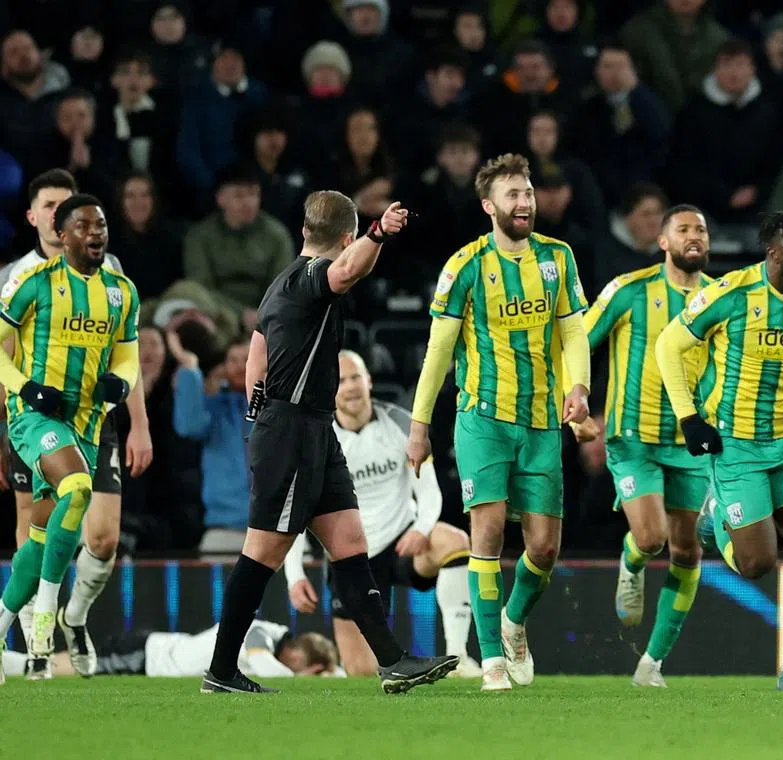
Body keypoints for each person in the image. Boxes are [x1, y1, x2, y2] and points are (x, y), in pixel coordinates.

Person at [201, 191, 459, 695]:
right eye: (356, 240)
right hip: (294, 431)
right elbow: (344, 274)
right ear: (346, 239)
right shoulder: (311, 278)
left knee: (348, 541)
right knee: (264, 549)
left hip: (310, 429)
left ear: (304, 231)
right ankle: (221, 670)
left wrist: (258, 409)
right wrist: (379, 232)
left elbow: (257, 350)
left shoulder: (279, 285)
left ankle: (392, 661)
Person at [655, 210, 783, 692]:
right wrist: (689, 418)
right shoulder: (731, 294)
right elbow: (669, 345)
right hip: (738, 445)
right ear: (773, 252)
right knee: (757, 563)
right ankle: (717, 518)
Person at [407, 153, 591, 692]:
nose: (524, 202)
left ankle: (512, 622)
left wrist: (576, 387)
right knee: (484, 535)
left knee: (544, 549)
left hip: (540, 423)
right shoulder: (464, 266)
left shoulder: (558, 258)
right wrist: (420, 425)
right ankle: (490, 661)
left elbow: (574, 332)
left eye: (528, 192)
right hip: (482, 418)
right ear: (489, 205)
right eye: (512, 195)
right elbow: (439, 350)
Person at [0, 169, 153, 680]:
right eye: (83, 225)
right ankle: (44, 619)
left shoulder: (120, 289)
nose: (95, 234)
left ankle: (12, 622)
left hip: (89, 421)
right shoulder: (26, 280)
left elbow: (129, 358)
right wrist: (23, 389)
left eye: (101, 226)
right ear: (53, 228)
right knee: (77, 489)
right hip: (33, 414)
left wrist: (124, 389)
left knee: (46, 533)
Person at [571, 204, 712, 687]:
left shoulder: (722, 298)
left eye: (701, 230)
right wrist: (577, 397)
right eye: (684, 229)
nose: (694, 236)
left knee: (688, 550)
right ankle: (632, 560)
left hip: (692, 443)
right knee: (653, 539)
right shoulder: (629, 290)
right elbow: (579, 340)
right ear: (664, 242)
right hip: (634, 438)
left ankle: (651, 664)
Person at [284, 350, 480, 678]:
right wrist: (295, 575)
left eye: (356, 377)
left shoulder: (401, 424)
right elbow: (298, 513)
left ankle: (458, 655)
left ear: (369, 381)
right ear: (329, 387)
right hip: (351, 556)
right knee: (361, 672)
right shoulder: (317, 440)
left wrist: (422, 527)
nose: (350, 386)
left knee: (456, 541)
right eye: (341, 380)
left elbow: (429, 489)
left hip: (403, 538)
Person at [2, 621, 342, 679]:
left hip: (156, 649)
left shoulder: (269, 637)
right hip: (149, 656)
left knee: (68, 665)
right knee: (69, 669)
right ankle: (10, 663)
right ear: (298, 657)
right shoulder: (259, 633)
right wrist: (306, 681)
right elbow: (263, 665)